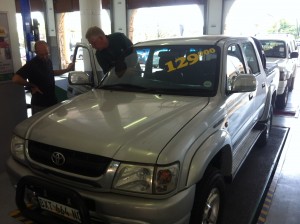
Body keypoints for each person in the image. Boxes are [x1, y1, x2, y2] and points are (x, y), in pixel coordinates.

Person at [12, 40, 74, 114]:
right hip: (40, 104)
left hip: (52, 100)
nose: (45, 57)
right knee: (41, 125)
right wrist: (31, 85)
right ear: (36, 52)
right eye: (42, 55)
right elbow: (16, 79)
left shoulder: (48, 61)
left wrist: (67, 70)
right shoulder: (32, 64)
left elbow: (51, 73)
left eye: (47, 54)